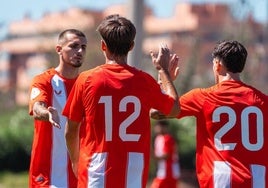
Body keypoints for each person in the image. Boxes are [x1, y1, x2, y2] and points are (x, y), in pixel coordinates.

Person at [62, 14, 179, 188]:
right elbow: (174, 109)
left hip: (95, 168)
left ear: (103, 46)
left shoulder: (86, 80)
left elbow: (71, 130)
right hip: (133, 168)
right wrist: (164, 71)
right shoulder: (145, 81)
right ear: (131, 46)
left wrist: (75, 161)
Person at [153, 40, 268, 188]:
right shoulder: (262, 101)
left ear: (217, 64)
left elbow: (156, 112)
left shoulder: (204, 97)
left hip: (221, 180)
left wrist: (165, 79)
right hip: (257, 180)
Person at [28, 29, 87, 187]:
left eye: (83, 47)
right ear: (59, 49)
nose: (80, 51)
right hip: (47, 177)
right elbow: (37, 108)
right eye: (74, 46)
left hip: (80, 175)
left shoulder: (88, 84)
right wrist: (46, 113)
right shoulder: (44, 81)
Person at [150, 120, 181, 188]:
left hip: (169, 171)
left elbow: (167, 155)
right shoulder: (158, 139)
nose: (156, 128)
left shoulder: (168, 139)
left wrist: (152, 155)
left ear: (164, 127)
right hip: (162, 170)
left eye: (158, 126)